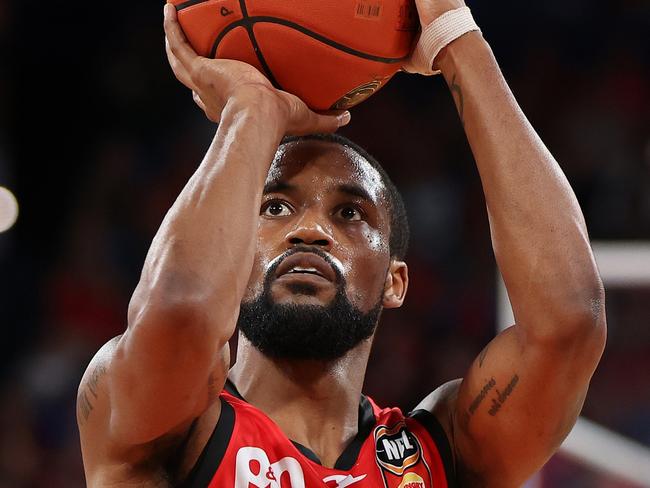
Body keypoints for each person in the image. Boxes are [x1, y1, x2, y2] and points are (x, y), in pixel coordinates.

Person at [77, 0, 607, 486]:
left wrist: (455, 37)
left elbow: (569, 324)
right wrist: (253, 110)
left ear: (396, 281)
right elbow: (179, 313)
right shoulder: (171, 429)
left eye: (350, 213)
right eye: (276, 207)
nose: (309, 230)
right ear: (234, 254)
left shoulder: (440, 457)